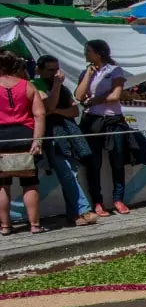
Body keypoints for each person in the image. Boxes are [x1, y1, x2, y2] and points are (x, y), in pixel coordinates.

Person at [31, 56, 95, 227]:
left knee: (71, 172)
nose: (54, 74)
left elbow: (74, 111)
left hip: (67, 134)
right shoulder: (35, 85)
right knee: (67, 172)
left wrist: (57, 111)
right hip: (51, 135)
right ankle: (83, 210)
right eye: (50, 70)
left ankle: (74, 214)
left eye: (56, 69)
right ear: (39, 70)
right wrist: (57, 87)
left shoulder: (63, 88)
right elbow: (48, 107)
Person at [74, 39, 129, 217]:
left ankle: (118, 198)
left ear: (99, 53)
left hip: (113, 119)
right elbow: (79, 96)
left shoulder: (114, 70)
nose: (86, 54)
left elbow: (115, 95)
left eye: (89, 51)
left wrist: (95, 100)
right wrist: (88, 76)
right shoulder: (86, 72)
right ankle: (97, 201)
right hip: (93, 120)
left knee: (117, 160)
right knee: (94, 163)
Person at [0, 51, 45, 234]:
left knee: (2, 184)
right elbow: (39, 114)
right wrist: (38, 140)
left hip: (1, 138)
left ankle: (5, 226)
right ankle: (34, 225)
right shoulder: (28, 86)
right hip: (26, 136)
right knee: (30, 182)